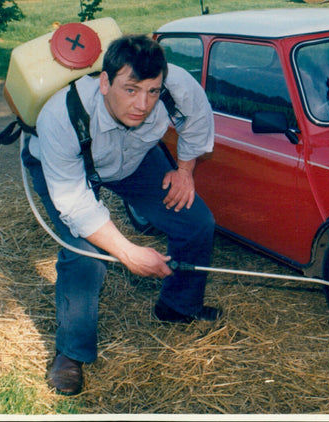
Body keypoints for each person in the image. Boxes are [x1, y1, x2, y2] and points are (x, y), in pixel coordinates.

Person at [22, 34, 218, 396]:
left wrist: (185, 171)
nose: (143, 104)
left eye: (152, 92)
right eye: (130, 90)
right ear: (104, 82)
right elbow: (76, 204)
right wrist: (128, 252)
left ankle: (178, 307)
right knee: (86, 252)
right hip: (72, 166)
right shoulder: (61, 116)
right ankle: (71, 353)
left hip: (133, 159)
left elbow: (198, 120)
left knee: (196, 222)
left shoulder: (176, 84)